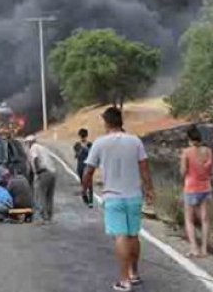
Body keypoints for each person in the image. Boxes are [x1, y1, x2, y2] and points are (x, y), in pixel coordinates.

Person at [82, 107, 155, 292]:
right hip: (134, 196)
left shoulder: (100, 143)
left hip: (113, 197)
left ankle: (124, 281)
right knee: (133, 235)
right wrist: (149, 189)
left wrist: (84, 188)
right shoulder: (135, 141)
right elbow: (144, 168)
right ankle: (134, 273)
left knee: (121, 236)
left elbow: (88, 171)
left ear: (106, 122)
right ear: (121, 121)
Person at [181, 125, 213, 258]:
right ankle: (204, 249)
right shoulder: (208, 151)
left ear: (189, 138)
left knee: (189, 219)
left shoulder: (186, 152)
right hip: (205, 187)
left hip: (191, 188)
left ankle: (194, 248)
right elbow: (210, 171)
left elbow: (183, 172)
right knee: (204, 219)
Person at [25, 135, 57, 224]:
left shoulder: (33, 148)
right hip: (52, 172)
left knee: (40, 195)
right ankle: (49, 217)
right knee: (49, 196)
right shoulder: (42, 148)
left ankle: (42, 217)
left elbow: (35, 159)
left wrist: (37, 170)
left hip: (43, 173)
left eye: (27, 143)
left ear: (30, 142)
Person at [74, 128, 94, 208]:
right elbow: (76, 155)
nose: (83, 137)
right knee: (83, 183)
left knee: (90, 183)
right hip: (80, 166)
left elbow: (92, 154)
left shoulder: (90, 145)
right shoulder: (77, 145)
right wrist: (81, 149)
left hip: (87, 166)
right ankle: (84, 195)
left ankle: (91, 201)